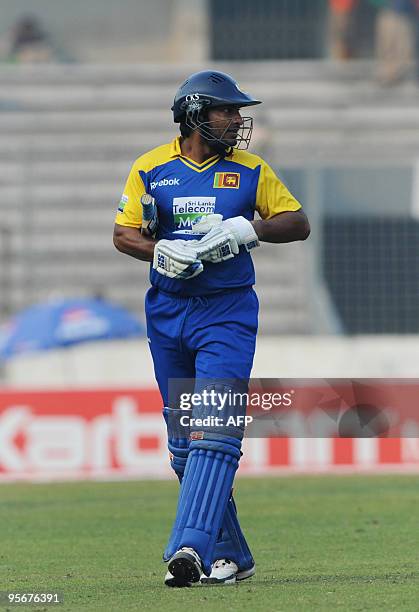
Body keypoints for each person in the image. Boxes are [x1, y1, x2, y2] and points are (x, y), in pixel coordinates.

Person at [113, 70, 310, 587]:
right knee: (184, 445)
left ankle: (189, 548)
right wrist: (159, 250)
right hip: (168, 313)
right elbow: (123, 233)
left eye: (238, 111)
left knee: (216, 431)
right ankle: (234, 555)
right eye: (228, 111)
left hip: (227, 313)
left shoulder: (250, 169)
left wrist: (253, 228)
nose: (239, 120)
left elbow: (298, 222)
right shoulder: (150, 168)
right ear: (197, 115)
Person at [369, 0, 417, 84]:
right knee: (388, 46)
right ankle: (389, 73)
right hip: (390, 13)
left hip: (404, 15)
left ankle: (396, 73)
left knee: (403, 48)